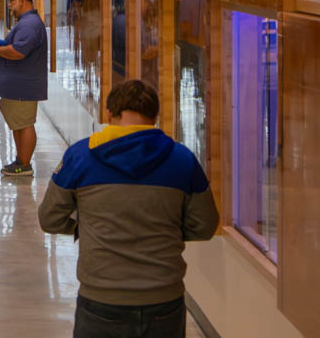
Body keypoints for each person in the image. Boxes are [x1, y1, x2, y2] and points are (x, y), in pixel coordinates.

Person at [38, 79, 219, 337]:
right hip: (164, 301)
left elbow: (49, 218)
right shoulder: (183, 160)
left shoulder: (81, 157)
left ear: (109, 113)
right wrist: (164, 230)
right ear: (154, 115)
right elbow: (205, 225)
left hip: (100, 300)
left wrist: (86, 226)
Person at [0, 0, 49, 177]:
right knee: (18, 124)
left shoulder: (29, 25)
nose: (10, 5)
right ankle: (21, 159)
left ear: (24, 2)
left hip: (23, 85)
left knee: (25, 123)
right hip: (18, 85)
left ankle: (25, 164)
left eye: (12, 1)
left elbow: (19, 52)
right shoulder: (26, 23)